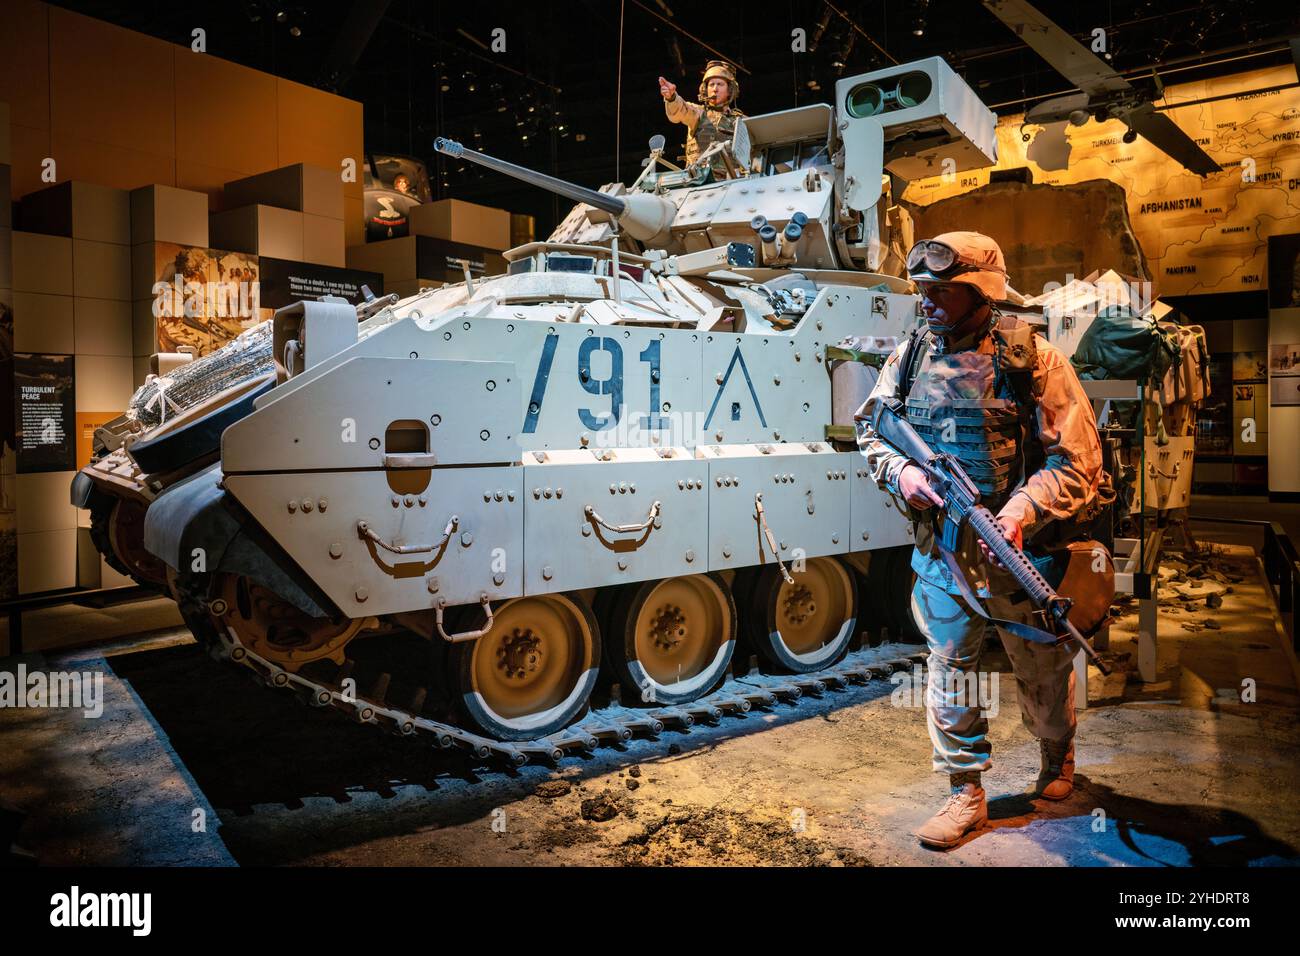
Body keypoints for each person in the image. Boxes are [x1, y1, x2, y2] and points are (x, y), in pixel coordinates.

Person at [854, 231, 1106, 850]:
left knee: (1042, 666)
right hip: (943, 552)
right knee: (951, 669)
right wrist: (903, 471)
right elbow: (872, 429)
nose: (930, 302)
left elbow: (1079, 461)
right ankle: (964, 791)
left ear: (982, 295)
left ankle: (1056, 757)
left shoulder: (1035, 361)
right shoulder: (909, 357)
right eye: (924, 290)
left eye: (945, 290)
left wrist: (1019, 511)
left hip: (1022, 550)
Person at [658, 60, 745, 178]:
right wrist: (672, 98)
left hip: (733, 182)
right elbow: (681, 110)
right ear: (705, 89)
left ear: (730, 90)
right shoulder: (698, 113)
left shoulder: (742, 121)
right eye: (711, 84)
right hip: (700, 181)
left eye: (720, 84)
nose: (715, 89)